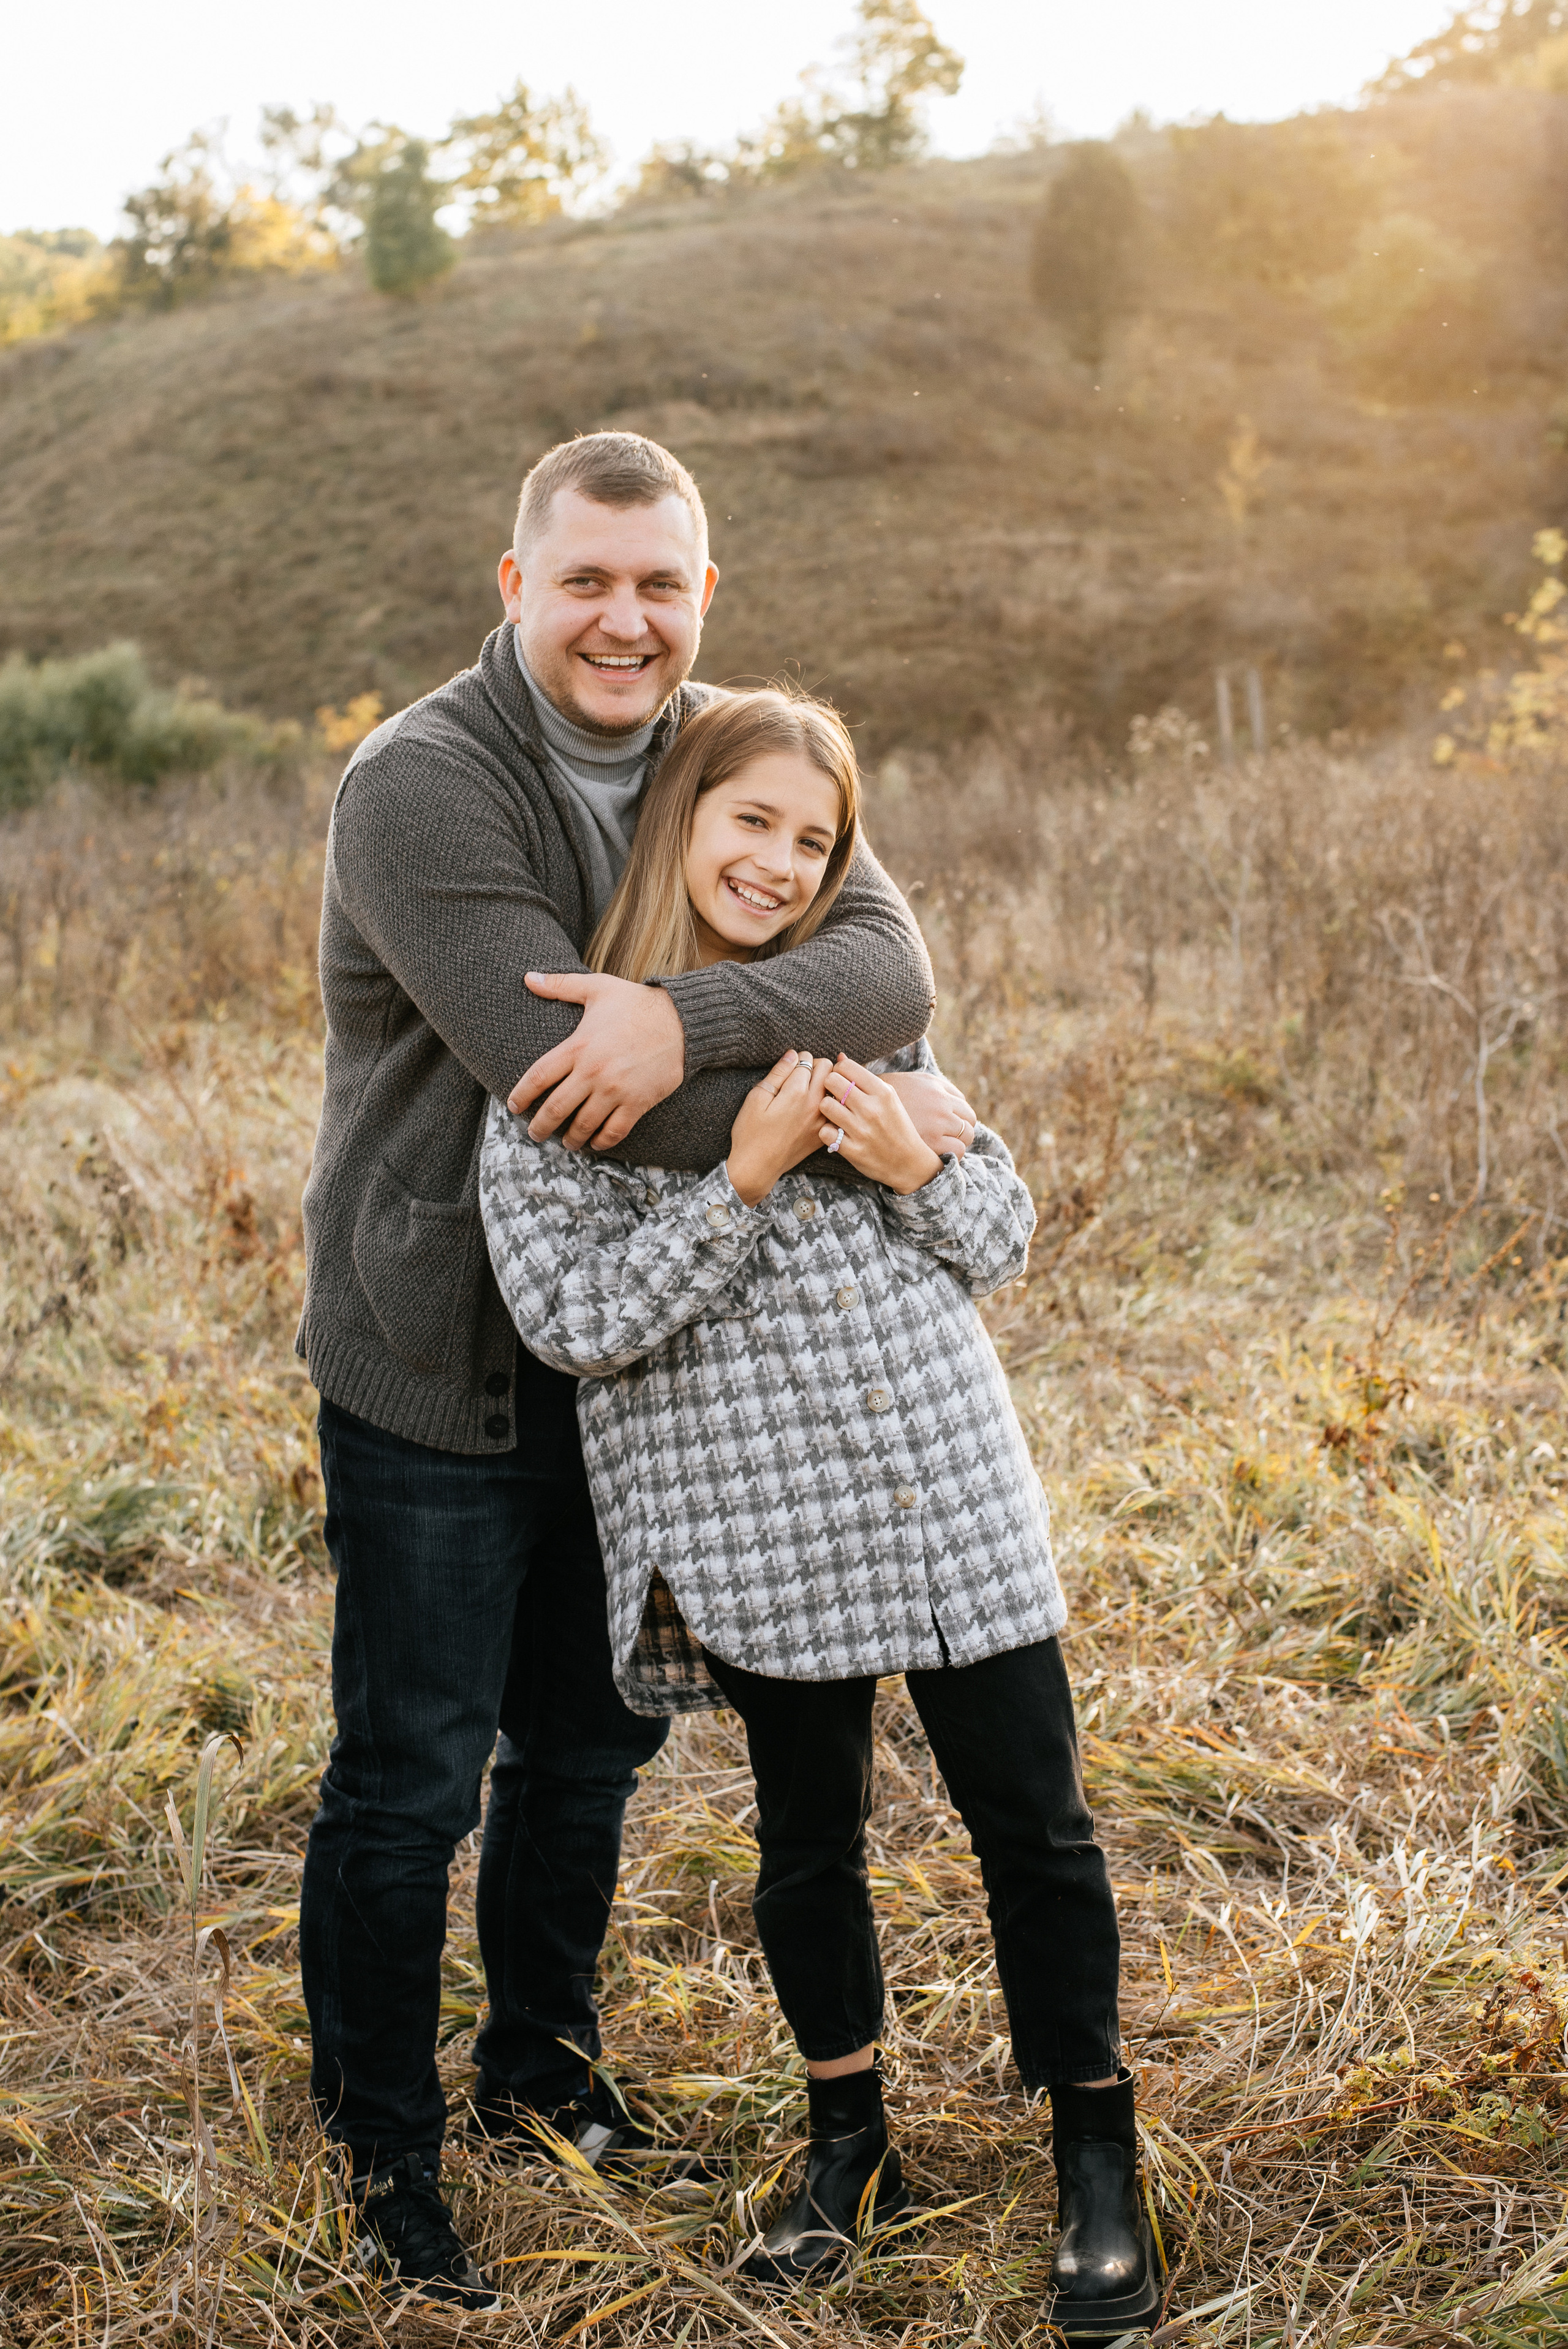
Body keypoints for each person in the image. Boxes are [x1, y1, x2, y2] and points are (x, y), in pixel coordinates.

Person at [295, 433, 974, 2310]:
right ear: (516, 587)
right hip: (440, 1350)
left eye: (660, 584)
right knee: (411, 1775)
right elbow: (583, 1097)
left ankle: (540, 2075)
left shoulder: (712, 737)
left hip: (638, 1354)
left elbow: (889, 963)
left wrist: (692, 1006)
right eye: (588, 580)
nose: (626, 618)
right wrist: (815, 1085)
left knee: (586, 1746)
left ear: (704, 597)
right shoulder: (423, 785)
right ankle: (383, 2149)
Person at [479, 687, 1161, 2339]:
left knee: (1039, 1825)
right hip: (756, 1518)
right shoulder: (567, 1056)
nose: (779, 862)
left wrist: (921, 1170)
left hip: (944, 1482)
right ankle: (849, 2137)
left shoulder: (865, 1018)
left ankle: (1094, 2144)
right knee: (809, 1841)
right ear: (681, 821)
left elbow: (1000, 1234)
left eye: (814, 839)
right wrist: (745, 1179)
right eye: (752, 824)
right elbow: (573, 1317)